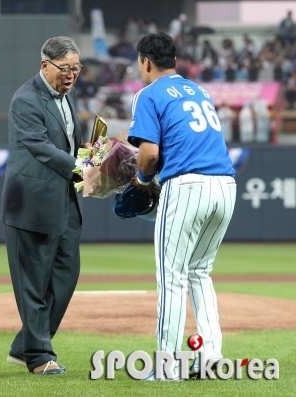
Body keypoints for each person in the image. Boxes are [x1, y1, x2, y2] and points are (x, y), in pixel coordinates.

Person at [128, 32, 236, 380]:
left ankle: (167, 366)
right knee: (199, 272)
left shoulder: (150, 93)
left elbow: (149, 154)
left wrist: (143, 182)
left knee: (171, 277)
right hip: (225, 185)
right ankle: (210, 357)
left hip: (187, 185)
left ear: (145, 61)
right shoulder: (198, 90)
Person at [0, 36, 83, 376]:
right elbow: (40, 146)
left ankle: (24, 346)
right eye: (65, 68)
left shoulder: (68, 96)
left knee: (65, 277)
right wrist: (81, 168)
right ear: (44, 64)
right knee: (33, 283)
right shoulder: (26, 100)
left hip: (64, 201)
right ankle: (39, 357)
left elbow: (69, 141)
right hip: (30, 204)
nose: (72, 75)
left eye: (77, 69)